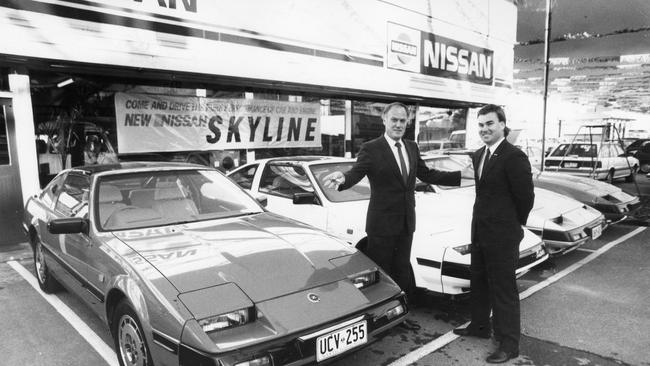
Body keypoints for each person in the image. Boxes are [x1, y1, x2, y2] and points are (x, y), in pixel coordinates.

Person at [324, 102, 471, 328]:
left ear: (407, 122)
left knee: (402, 271)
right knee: (382, 274)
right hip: (381, 224)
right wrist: (343, 180)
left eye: (403, 121)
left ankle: (400, 317)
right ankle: (378, 319)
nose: (399, 124)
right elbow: (356, 173)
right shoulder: (371, 148)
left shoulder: (411, 147)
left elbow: (427, 173)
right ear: (384, 119)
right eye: (394, 120)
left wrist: (460, 176)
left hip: (405, 222)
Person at [453, 104, 535, 364]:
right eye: (481, 125)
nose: (485, 129)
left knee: (503, 290)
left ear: (502, 124)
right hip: (480, 232)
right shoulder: (479, 155)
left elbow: (526, 198)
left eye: (490, 123)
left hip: (503, 235)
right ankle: (479, 326)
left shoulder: (514, 156)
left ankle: (509, 343)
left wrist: (513, 226)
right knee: (479, 282)